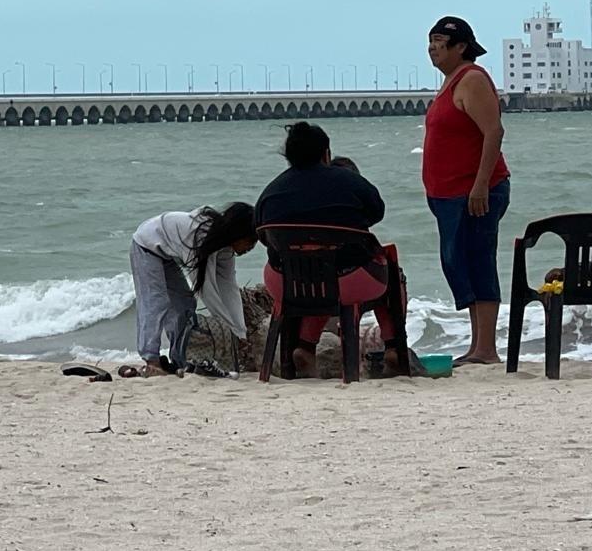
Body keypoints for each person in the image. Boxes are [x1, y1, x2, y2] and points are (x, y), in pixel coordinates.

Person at [255, 122, 406, 377]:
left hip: (286, 282)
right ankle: (393, 346)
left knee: (317, 272)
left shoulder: (271, 192)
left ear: (289, 157)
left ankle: (304, 347)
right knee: (389, 267)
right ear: (326, 153)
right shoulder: (350, 182)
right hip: (349, 281)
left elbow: (260, 233)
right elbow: (376, 212)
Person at [423, 15, 511, 365]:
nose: (432, 49)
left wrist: (479, 186)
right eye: (429, 42)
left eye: (439, 43)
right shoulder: (449, 82)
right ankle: (477, 345)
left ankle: (486, 348)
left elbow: (494, 132)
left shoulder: (472, 79)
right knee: (457, 262)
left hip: (476, 191)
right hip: (447, 194)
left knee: (478, 260)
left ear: (460, 47)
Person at [127, 203, 257, 377]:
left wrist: (240, 332)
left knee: (184, 303)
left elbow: (228, 287)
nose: (251, 247)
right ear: (238, 232)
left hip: (166, 254)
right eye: (251, 240)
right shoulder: (200, 235)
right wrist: (228, 328)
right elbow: (206, 289)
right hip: (146, 245)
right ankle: (151, 359)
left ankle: (179, 358)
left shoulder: (224, 247)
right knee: (156, 302)